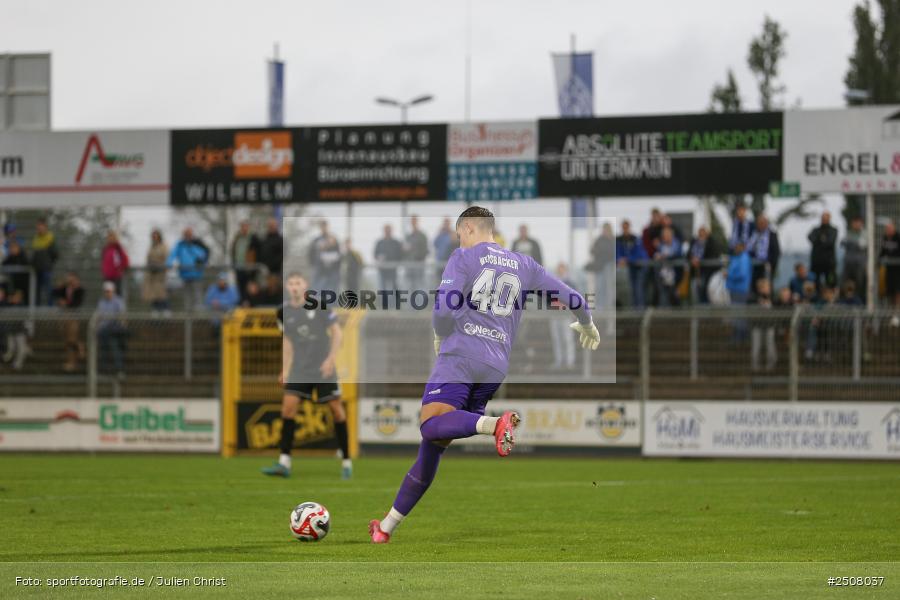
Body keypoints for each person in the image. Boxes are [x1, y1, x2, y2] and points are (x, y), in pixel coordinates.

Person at [368, 206, 600, 543]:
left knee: (430, 424)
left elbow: (444, 308)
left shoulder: (464, 257)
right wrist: (587, 322)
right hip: (495, 365)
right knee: (434, 442)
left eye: (459, 232)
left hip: (461, 355)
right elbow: (573, 297)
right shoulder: (525, 264)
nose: (458, 238)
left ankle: (493, 424)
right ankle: (386, 528)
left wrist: (438, 332)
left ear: (468, 227)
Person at [262, 272, 350, 480]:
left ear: (305, 286)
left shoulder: (319, 305)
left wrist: (330, 360)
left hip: (323, 368)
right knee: (288, 408)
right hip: (300, 369)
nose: (294, 286)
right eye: (291, 283)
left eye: (298, 283)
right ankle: (284, 462)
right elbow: (288, 342)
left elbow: (337, 333)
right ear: (286, 287)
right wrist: (285, 368)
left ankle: (346, 461)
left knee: (337, 410)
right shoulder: (282, 312)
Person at [167, 227, 209, 311]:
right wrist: (168, 264)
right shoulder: (180, 245)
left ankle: (198, 312)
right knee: (187, 294)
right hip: (185, 273)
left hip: (196, 273)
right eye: (186, 235)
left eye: (189, 235)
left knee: (197, 293)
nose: (188, 236)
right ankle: (188, 311)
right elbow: (173, 255)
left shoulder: (196, 243)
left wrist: (200, 260)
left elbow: (203, 254)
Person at [53, 272, 85, 372]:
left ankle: (73, 359)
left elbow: (77, 303)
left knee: (71, 340)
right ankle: (76, 351)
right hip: (64, 317)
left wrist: (66, 303)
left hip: (73, 317)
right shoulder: (64, 289)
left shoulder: (80, 290)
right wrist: (59, 286)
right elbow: (54, 294)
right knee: (67, 341)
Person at [95, 281, 127, 380]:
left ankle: (119, 370)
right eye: (106, 291)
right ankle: (104, 370)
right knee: (104, 349)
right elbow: (100, 318)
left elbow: (121, 317)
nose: (107, 293)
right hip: (104, 330)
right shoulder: (101, 302)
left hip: (114, 329)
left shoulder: (118, 301)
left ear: (113, 291)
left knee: (115, 347)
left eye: (109, 291)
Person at [549, 263, 577, 370]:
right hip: (555, 314)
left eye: (562, 268)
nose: (560, 271)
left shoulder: (570, 283)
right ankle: (559, 360)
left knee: (567, 338)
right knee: (556, 338)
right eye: (559, 268)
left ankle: (570, 361)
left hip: (566, 314)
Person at [615, 220, 648, 308]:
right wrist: (619, 259)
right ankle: (634, 310)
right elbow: (617, 252)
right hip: (630, 269)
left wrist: (627, 260)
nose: (625, 229)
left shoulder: (635, 239)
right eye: (623, 228)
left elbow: (639, 254)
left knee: (638, 289)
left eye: (626, 227)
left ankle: (639, 310)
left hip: (639, 268)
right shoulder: (619, 240)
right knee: (632, 289)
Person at [688, 226, 721, 305]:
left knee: (705, 290)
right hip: (695, 272)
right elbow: (688, 254)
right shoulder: (694, 242)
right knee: (695, 291)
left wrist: (700, 260)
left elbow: (713, 255)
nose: (701, 235)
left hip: (707, 272)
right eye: (700, 233)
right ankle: (697, 306)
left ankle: (705, 308)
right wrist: (692, 258)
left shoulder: (711, 243)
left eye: (703, 233)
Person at [231, 220, 261, 304]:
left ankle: (251, 305)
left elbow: (258, 252)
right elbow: (233, 251)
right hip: (239, 267)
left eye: (246, 226)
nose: (244, 228)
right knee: (240, 288)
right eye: (242, 226)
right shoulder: (237, 238)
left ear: (248, 227)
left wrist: (254, 266)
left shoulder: (254, 238)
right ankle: (242, 304)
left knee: (251, 289)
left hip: (250, 268)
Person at [726, 243, 752, 342]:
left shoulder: (744, 258)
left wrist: (729, 275)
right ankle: (738, 335)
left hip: (740, 289)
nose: (736, 248)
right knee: (736, 313)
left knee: (739, 313)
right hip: (734, 289)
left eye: (738, 246)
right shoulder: (736, 257)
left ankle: (741, 336)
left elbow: (742, 274)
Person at [308, 221, 342, 295]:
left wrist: (331, 245)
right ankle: (317, 303)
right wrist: (313, 264)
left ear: (328, 227)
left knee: (332, 289)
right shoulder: (316, 240)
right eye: (322, 227)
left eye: (325, 227)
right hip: (319, 268)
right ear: (320, 228)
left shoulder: (334, 239)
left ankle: (331, 305)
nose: (324, 229)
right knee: (318, 288)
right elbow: (311, 253)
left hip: (332, 269)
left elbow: (339, 254)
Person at [750, 278, 777, 372]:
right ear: (760, 288)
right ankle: (755, 367)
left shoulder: (773, 297)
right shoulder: (753, 297)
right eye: (765, 287)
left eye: (768, 287)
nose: (767, 289)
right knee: (756, 346)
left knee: (770, 346)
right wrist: (759, 303)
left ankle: (771, 366)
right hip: (757, 326)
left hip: (769, 325)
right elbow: (750, 306)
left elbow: (778, 308)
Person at [746, 214, 780, 284]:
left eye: (762, 223)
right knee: (754, 284)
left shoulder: (772, 234)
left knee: (766, 285)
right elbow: (749, 248)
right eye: (759, 223)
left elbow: (776, 251)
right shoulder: (754, 234)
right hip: (753, 265)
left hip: (766, 265)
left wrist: (771, 264)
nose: (761, 225)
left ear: (766, 223)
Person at [31, 217, 58, 306]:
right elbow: (34, 254)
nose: (39, 227)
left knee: (48, 289)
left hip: (46, 269)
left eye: (41, 225)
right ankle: (36, 309)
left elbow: (55, 254)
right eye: (38, 226)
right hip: (37, 269)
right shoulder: (35, 238)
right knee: (36, 290)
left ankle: (51, 308)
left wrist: (49, 263)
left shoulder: (50, 237)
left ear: (45, 226)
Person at [653, 226, 682, 307]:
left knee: (674, 295)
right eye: (663, 236)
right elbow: (657, 254)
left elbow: (675, 254)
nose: (664, 237)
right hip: (663, 275)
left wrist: (663, 256)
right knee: (663, 294)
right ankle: (665, 313)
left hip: (675, 275)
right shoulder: (662, 245)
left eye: (666, 235)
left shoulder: (676, 244)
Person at [808, 211, 838, 290]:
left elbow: (830, 242)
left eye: (826, 218)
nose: (824, 220)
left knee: (830, 283)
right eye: (823, 218)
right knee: (815, 283)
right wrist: (822, 239)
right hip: (817, 263)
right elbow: (810, 237)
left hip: (829, 263)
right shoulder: (816, 230)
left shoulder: (833, 230)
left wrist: (819, 240)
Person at [142, 229, 170, 315]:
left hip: (160, 273)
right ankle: (155, 309)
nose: (154, 238)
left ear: (159, 237)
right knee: (153, 293)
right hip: (152, 274)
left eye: (156, 236)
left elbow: (166, 258)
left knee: (161, 292)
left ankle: (166, 309)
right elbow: (148, 258)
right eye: (153, 236)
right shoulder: (151, 247)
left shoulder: (163, 246)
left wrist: (160, 265)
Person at [841, 216, 867, 298]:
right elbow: (842, 242)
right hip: (848, 263)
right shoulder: (849, 233)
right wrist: (853, 242)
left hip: (859, 264)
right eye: (854, 223)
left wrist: (851, 242)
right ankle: (845, 300)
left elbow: (862, 245)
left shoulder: (864, 233)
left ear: (861, 224)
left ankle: (859, 300)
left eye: (857, 223)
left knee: (859, 282)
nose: (856, 225)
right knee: (845, 281)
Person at [880, 221, 900, 323]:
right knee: (889, 292)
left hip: (897, 271)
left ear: (894, 229)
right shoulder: (885, 238)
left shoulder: (898, 237)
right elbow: (882, 252)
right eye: (887, 229)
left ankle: (897, 314)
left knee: (897, 292)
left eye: (889, 229)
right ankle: (891, 314)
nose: (888, 231)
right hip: (888, 270)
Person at [374, 224, 403, 292]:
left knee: (394, 288)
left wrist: (394, 261)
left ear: (391, 231)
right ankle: (384, 302)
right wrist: (379, 258)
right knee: (383, 289)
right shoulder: (380, 242)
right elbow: (375, 254)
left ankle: (395, 302)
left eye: (389, 230)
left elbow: (400, 255)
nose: (387, 232)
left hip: (393, 270)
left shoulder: (395, 242)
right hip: (382, 270)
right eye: (386, 230)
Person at [404, 215, 429, 294]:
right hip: (410, 265)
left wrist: (419, 257)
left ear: (417, 222)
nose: (413, 222)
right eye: (412, 221)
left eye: (414, 221)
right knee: (410, 285)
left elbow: (426, 250)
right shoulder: (408, 236)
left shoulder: (422, 235)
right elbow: (405, 251)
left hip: (419, 264)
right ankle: (411, 305)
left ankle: (420, 304)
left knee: (419, 285)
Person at [100, 230, 130, 295]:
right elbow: (103, 260)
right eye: (109, 237)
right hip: (107, 276)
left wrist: (121, 269)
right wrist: (104, 271)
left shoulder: (118, 248)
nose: (110, 239)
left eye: (112, 237)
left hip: (116, 276)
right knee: (107, 294)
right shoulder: (105, 249)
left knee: (117, 294)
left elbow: (125, 260)